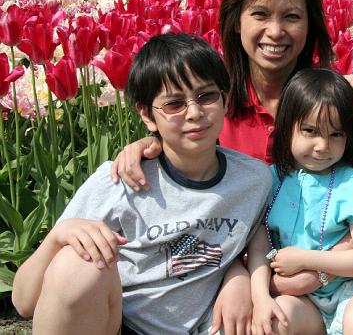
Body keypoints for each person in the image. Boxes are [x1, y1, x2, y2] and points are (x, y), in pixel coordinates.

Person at [110, 0, 353, 297]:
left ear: (311, 26)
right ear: (236, 20)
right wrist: (149, 145)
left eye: (292, 17)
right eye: (260, 14)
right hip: (223, 277)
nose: (275, 32)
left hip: (327, 291)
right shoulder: (213, 103)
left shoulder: (335, 104)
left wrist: (320, 269)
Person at [11, 33, 272, 335]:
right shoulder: (119, 182)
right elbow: (23, 302)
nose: (195, 113)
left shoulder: (254, 181)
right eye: (174, 104)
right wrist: (58, 236)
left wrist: (236, 275)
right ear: (147, 115)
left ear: (225, 99)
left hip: (210, 326)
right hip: (121, 325)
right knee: (74, 264)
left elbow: (255, 244)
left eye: (206, 96)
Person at [248, 68, 353, 335]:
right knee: (276, 321)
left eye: (336, 134)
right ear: (287, 128)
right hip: (304, 301)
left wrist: (304, 258)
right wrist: (261, 297)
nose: (323, 146)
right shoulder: (271, 180)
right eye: (310, 131)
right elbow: (261, 247)